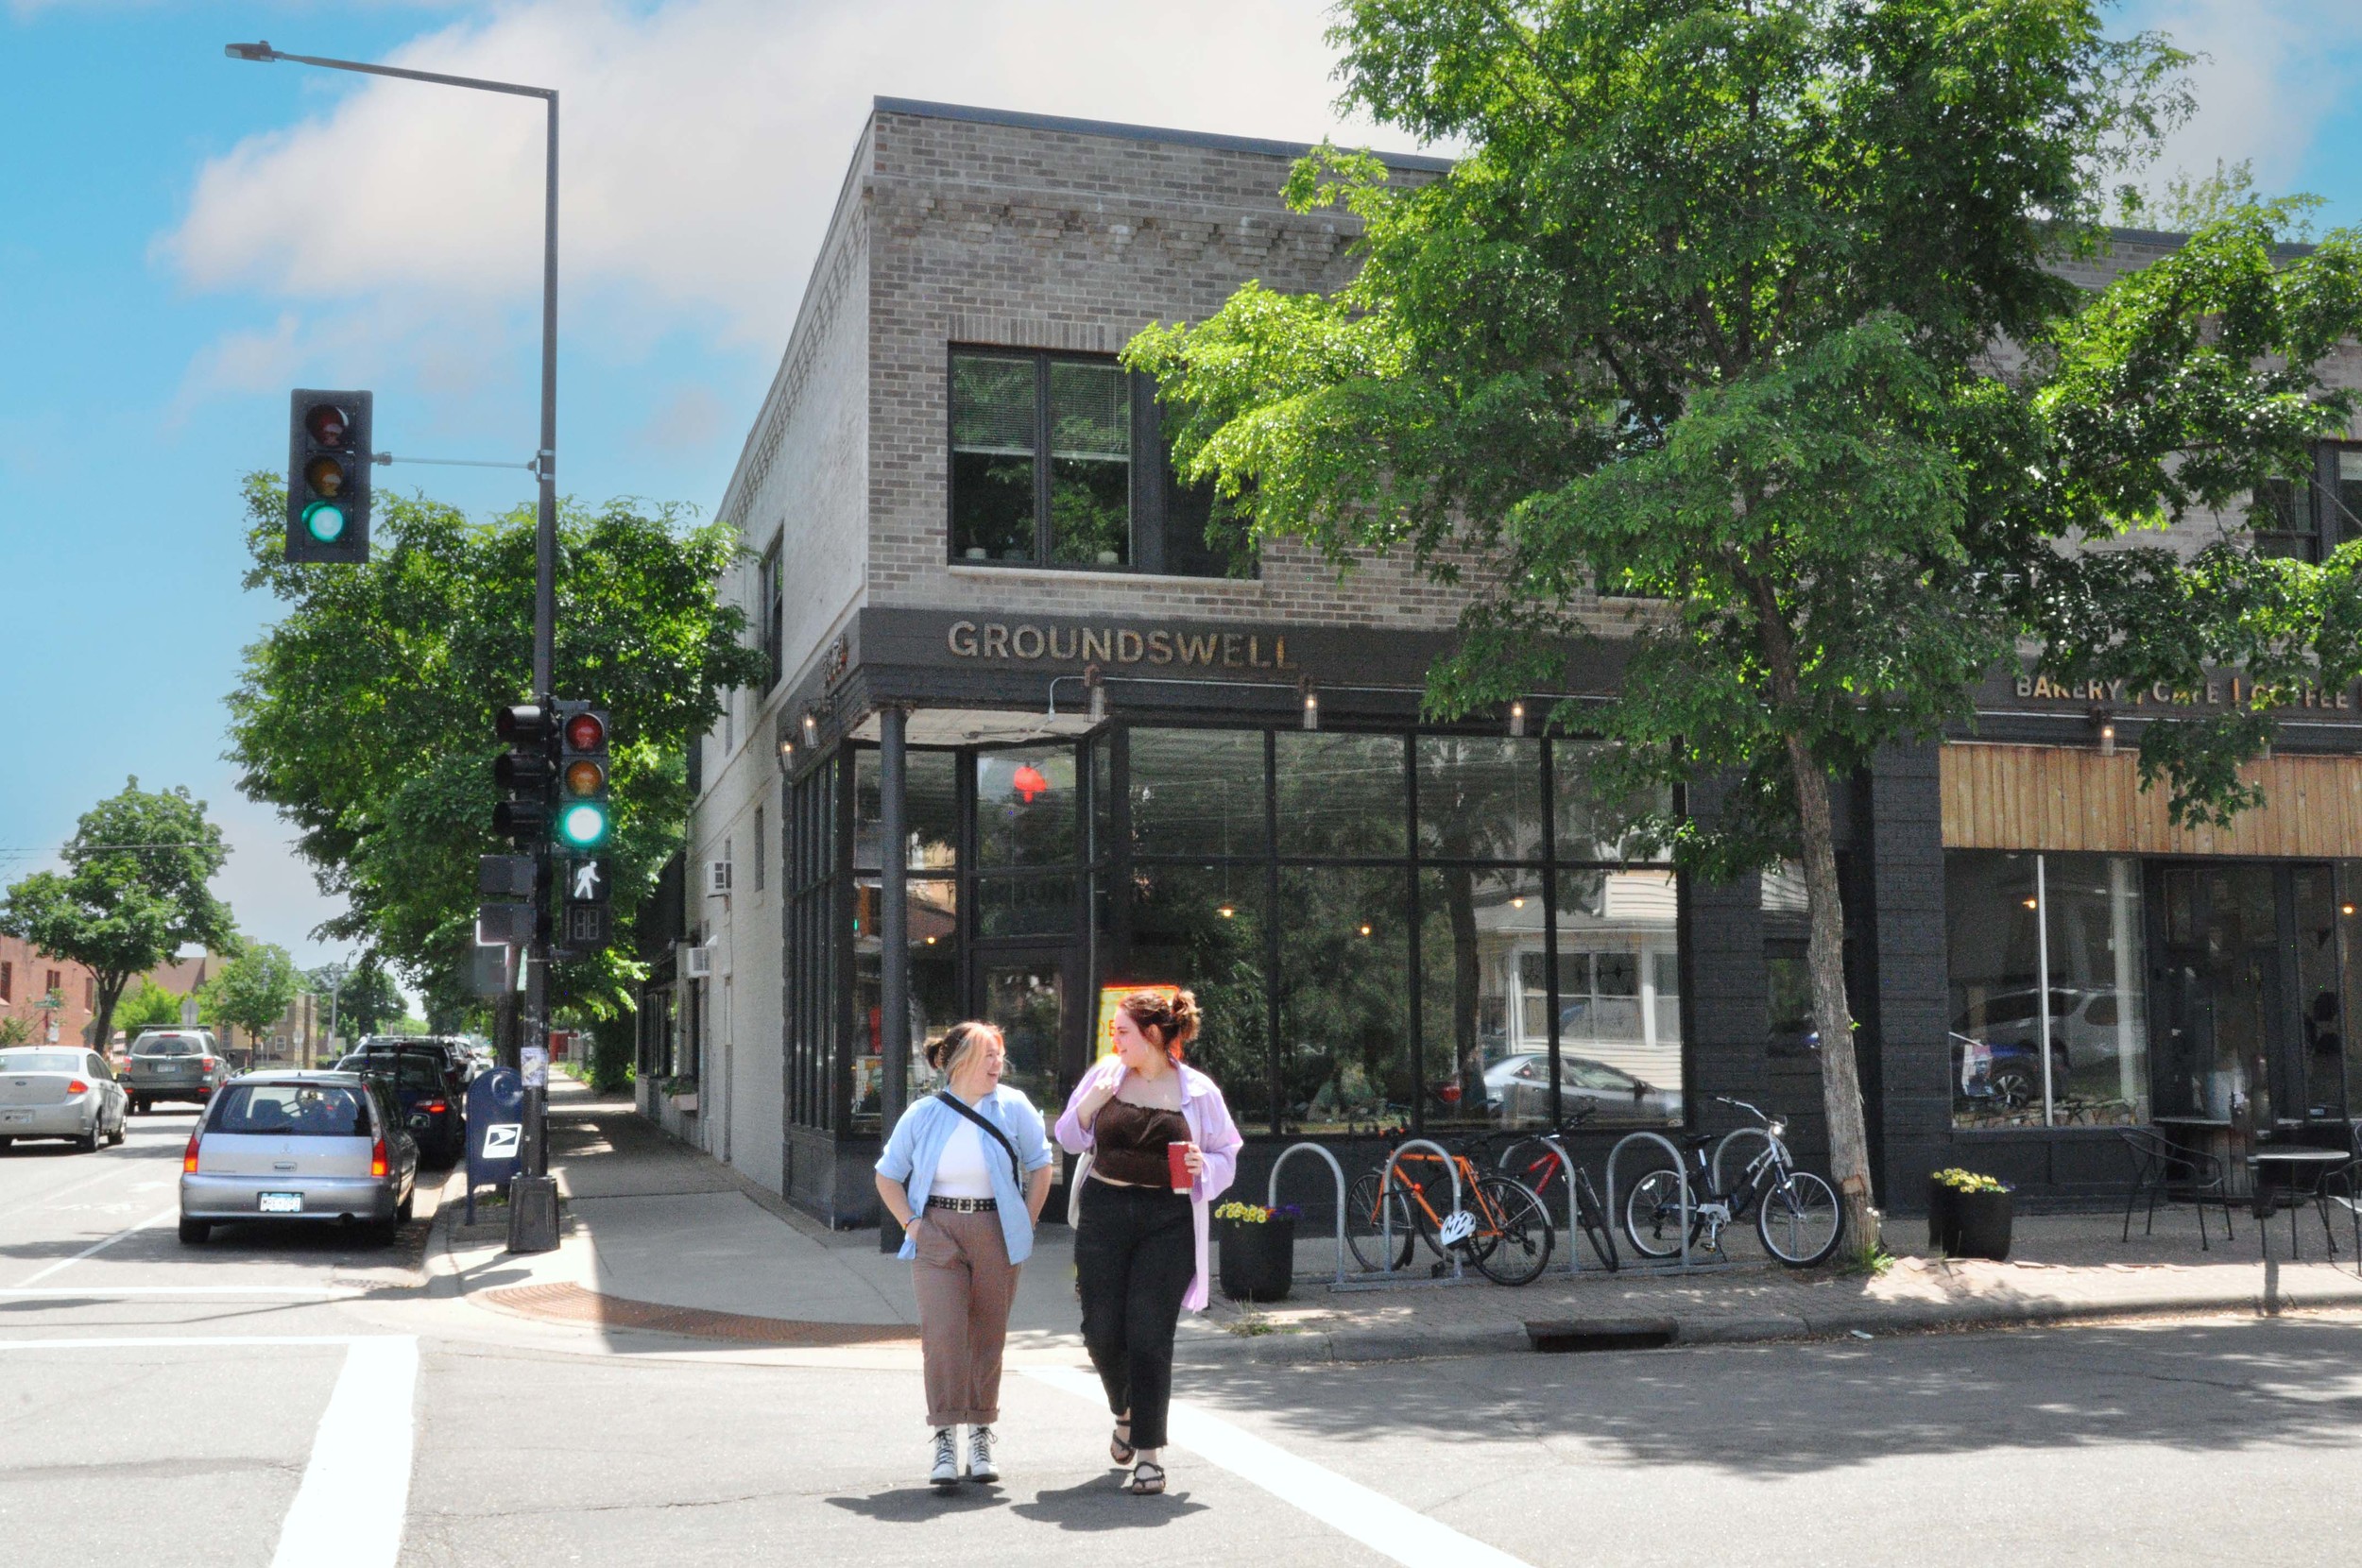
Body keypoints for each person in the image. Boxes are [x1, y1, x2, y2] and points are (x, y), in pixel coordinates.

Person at [1054, 989, 1243, 1495]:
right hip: (1105, 1212)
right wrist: (1091, 1105)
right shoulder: (1105, 1077)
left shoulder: (1198, 1091)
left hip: (1169, 1219)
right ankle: (1124, 1410)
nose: (1114, 1040)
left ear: (1154, 1036)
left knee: (1148, 1333)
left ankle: (1149, 1454)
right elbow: (1069, 1139)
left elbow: (1228, 1150)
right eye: (1114, 1031)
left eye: (1123, 1032)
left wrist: (1210, 1167)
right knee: (1100, 1330)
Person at [874, 1020, 1055, 1489]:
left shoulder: (1013, 1107)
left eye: (1000, 1055)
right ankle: (945, 1440)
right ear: (959, 1063)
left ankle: (980, 1432)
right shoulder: (923, 1114)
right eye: (987, 1055)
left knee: (988, 1335)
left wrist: (1026, 1220)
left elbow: (1041, 1166)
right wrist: (913, 1226)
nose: (998, 1064)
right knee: (943, 1336)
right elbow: (887, 1176)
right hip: (937, 1231)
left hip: (997, 1228)